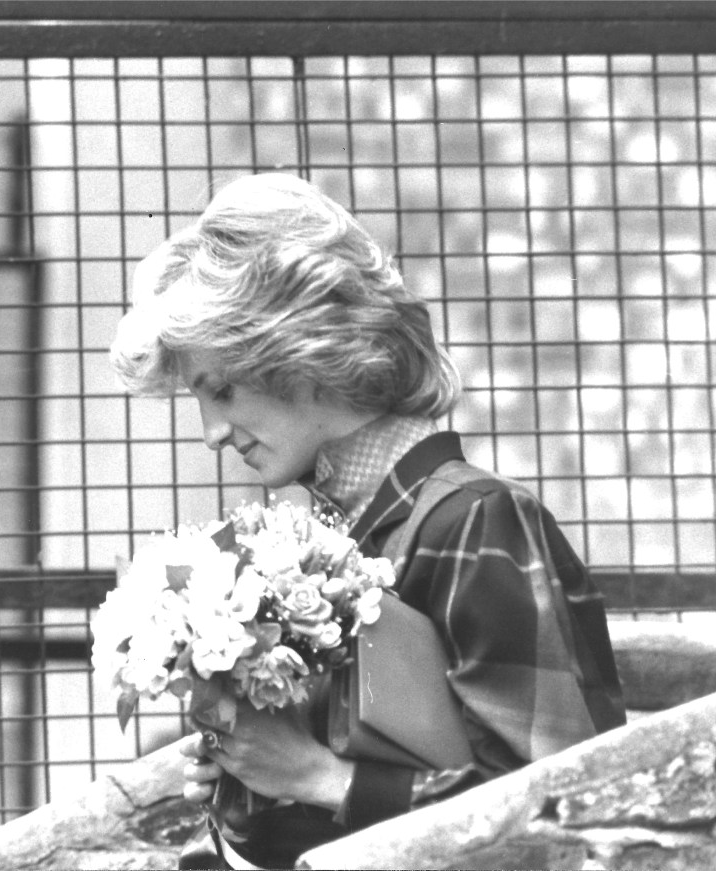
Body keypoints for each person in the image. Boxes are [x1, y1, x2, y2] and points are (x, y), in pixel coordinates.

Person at [109, 173, 626, 868]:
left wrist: (317, 776)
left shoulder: (474, 523)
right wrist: (245, 781)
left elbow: (572, 818)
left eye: (222, 389)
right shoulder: (331, 541)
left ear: (298, 349)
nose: (211, 433)